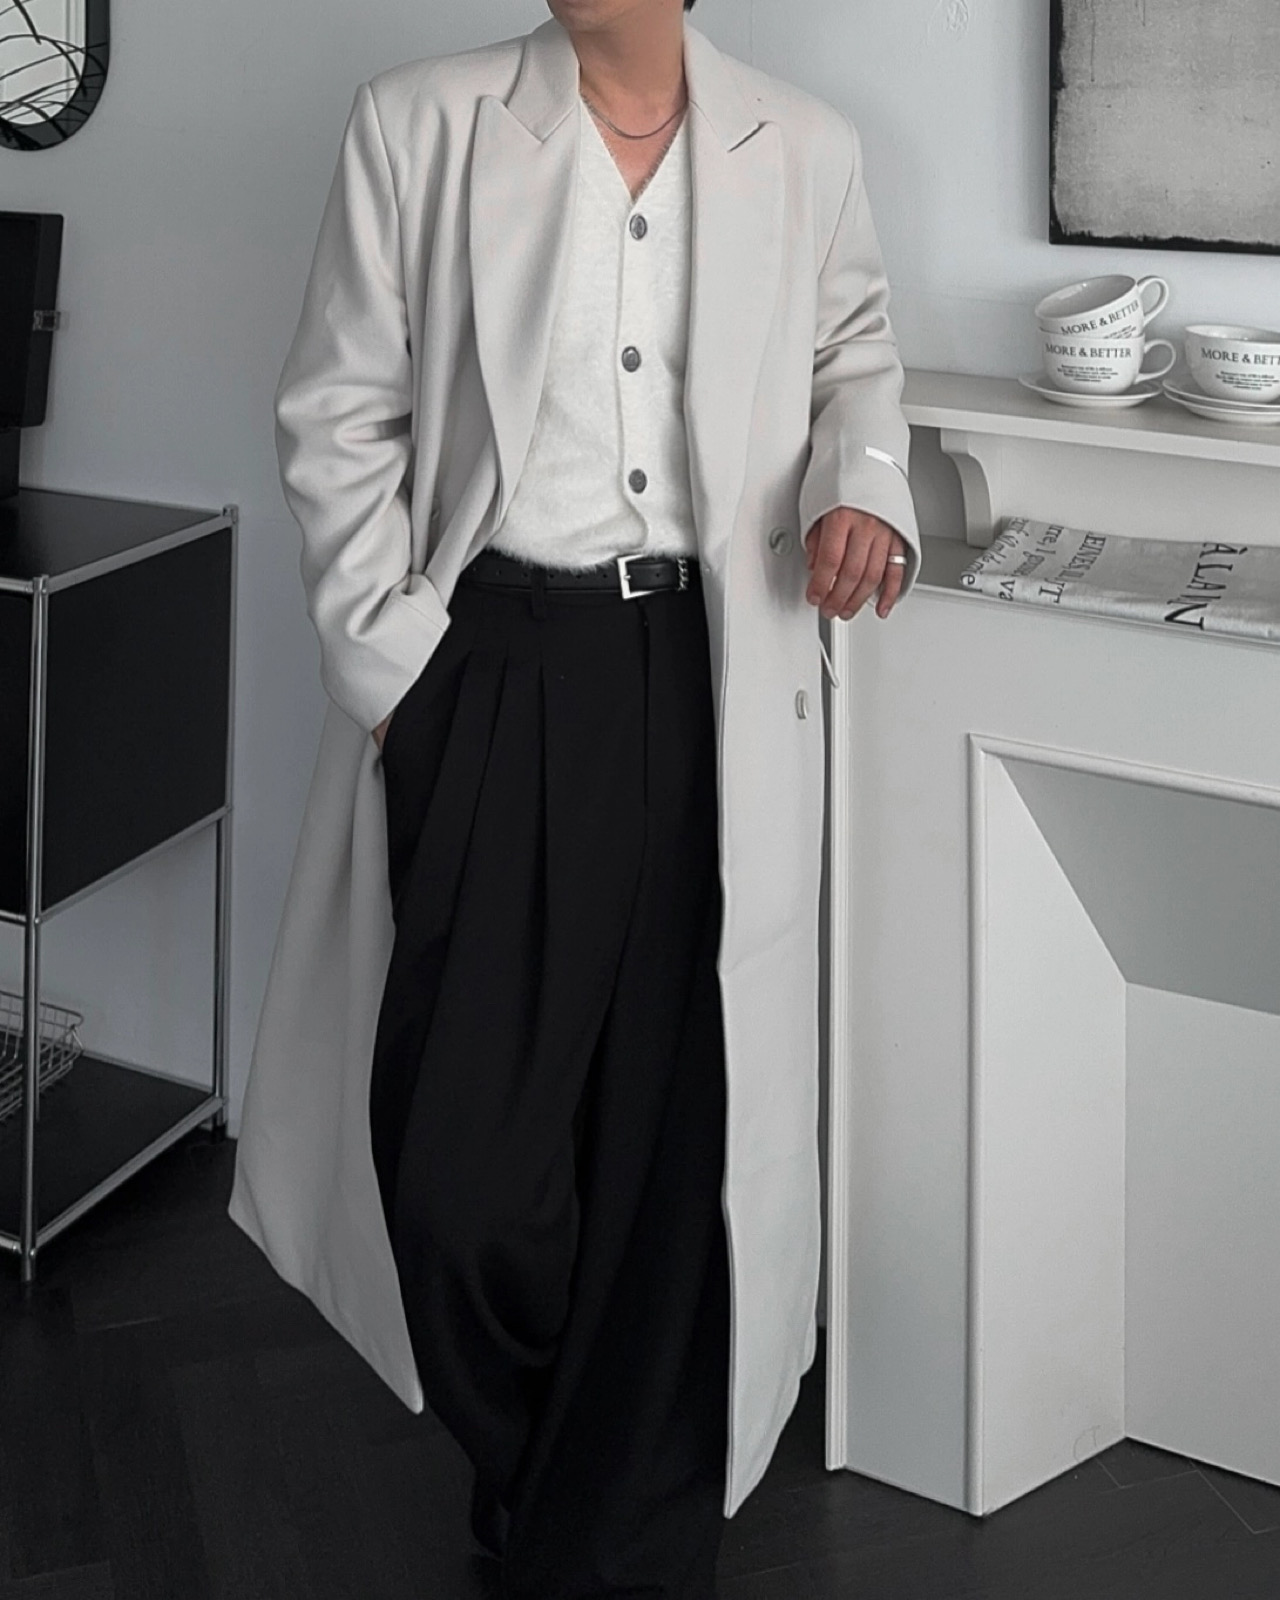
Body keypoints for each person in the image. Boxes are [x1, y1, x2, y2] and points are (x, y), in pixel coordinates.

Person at [231, 1, 919, 1596]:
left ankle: (604, 1529)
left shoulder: (804, 146)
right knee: (462, 1177)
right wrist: (400, 673)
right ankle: (556, 1468)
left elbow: (856, 356)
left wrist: (863, 488)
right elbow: (338, 408)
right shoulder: (421, 121)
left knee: (671, 1134)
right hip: (492, 674)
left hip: (710, 670)